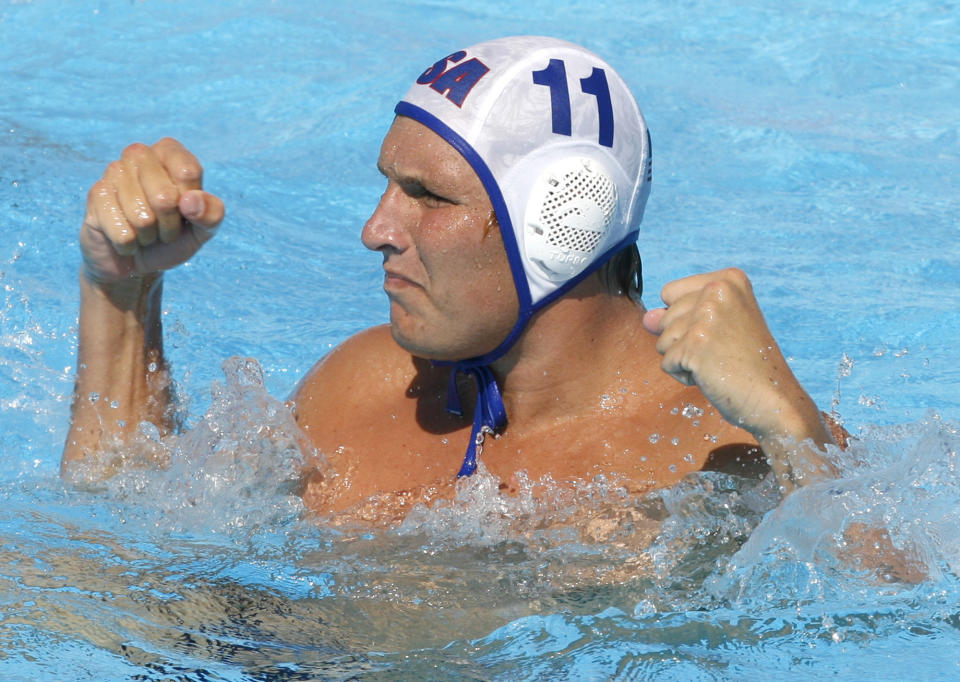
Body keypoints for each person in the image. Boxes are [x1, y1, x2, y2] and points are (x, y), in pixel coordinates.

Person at [63, 36, 841, 518]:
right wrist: (122, 294)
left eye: (426, 196)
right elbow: (120, 528)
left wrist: (792, 426)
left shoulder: (722, 451)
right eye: (388, 187)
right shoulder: (365, 385)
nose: (375, 230)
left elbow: (894, 604)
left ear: (561, 218)